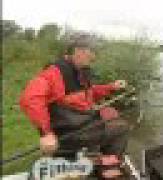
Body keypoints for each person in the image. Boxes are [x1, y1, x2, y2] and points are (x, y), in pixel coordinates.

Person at [20, 35, 128, 178]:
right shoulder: (54, 73)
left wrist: (112, 87)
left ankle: (98, 158)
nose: (94, 56)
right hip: (71, 133)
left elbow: (90, 93)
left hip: (81, 123)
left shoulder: (80, 71)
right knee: (121, 128)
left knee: (110, 112)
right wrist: (46, 133)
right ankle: (108, 168)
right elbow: (30, 98)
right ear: (79, 51)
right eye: (93, 51)